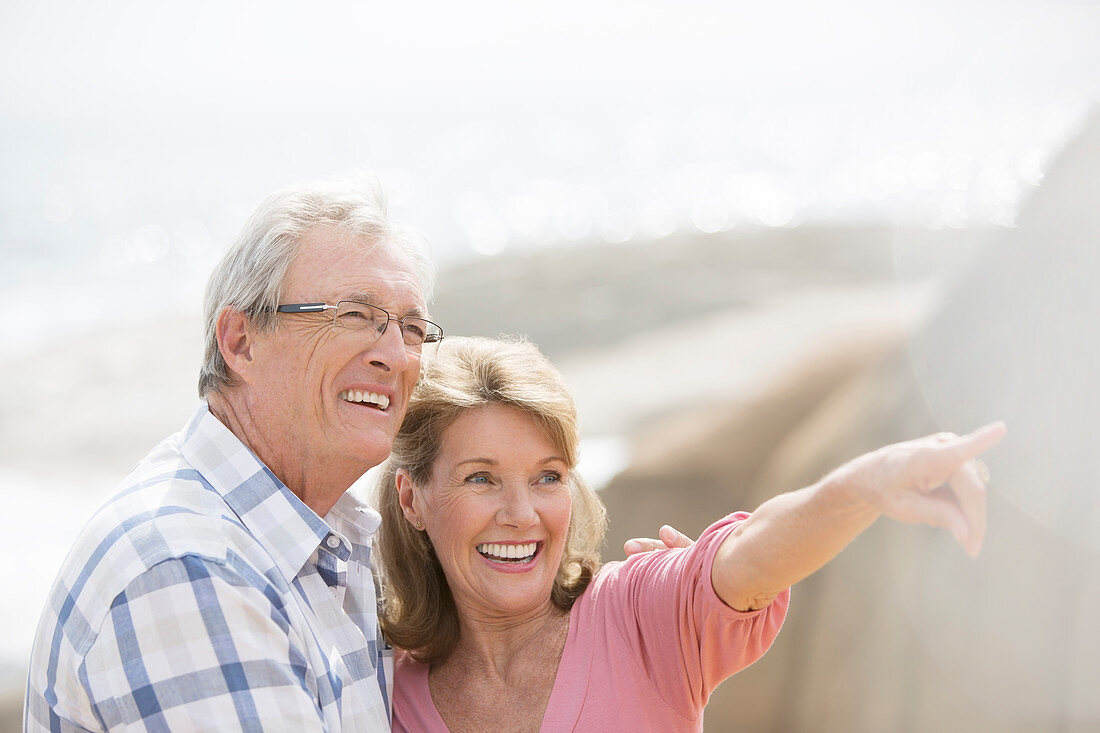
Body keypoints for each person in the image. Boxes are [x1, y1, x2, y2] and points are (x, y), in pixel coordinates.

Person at [375, 336, 1005, 732]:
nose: (521, 514)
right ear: (413, 499)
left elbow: (751, 557)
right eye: (481, 479)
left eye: (547, 477)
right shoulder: (382, 689)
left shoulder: (639, 612)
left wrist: (864, 485)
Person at [25, 177, 443, 731]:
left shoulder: (325, 537)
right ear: (240, 341)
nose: (394, 355)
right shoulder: (189, 570)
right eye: (353, 315)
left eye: (411, 328)